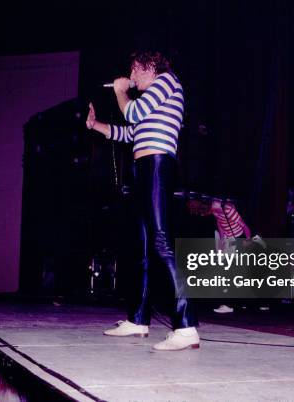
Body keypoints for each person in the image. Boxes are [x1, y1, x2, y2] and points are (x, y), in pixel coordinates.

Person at [86, 51, 199, 351]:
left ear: (149, 66)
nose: (131, 76)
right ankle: (138, 320)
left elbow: (132, 113)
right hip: (143, 167)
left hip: (158, 165)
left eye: (134, 70)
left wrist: (122, 92)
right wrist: (95, 125)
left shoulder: (166, 82)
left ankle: (186, 327)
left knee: (161, 242)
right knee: (143, 248)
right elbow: (129, 132)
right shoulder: (152, 102)